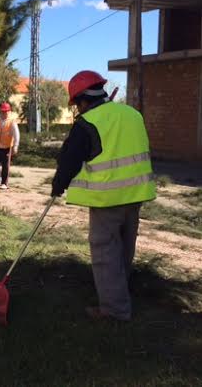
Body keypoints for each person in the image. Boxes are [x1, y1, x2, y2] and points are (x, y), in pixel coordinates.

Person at [51, 70, 156, 321]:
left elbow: (70, 160)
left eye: (76, 104)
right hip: (137, 194)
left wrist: (58, 185)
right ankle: (119, 293)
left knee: (105, 252)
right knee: (123, 249)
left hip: (108, 199)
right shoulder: (133, 114)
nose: (78, 109)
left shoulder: (88, 123)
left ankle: (114, 310)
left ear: (82, 100)